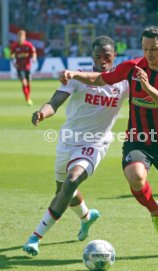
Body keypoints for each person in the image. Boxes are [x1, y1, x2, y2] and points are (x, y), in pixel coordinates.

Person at [60, 26, 158, 256]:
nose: (149, 54)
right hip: (137, 140)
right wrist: (74, 74)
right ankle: (154, 209)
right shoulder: (133, 67)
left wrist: (147, 87)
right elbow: (101, 78)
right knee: (135, 177)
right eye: (145, 49)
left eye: (153, 49)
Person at [23, 36, 129, 256]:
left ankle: (35, 237)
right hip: (67, 141)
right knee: (62, 191)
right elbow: (54, 103)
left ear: (114, 56)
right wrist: (42, 113)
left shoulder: (123, 83)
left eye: (107, 56)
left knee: (71, 182)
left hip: (95, 144)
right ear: (92, 57)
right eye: (98, 57)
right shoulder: (78, 77)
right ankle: (87, 217)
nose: (102, 61)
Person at [10, 30, 37, 106]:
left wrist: (34, 58)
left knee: (28, 83)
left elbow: (34, 52)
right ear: (17, 37)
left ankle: (28, 97)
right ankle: (27, 98)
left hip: (28, 67)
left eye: (22, 37)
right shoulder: (14, 46)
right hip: (19, 67)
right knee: (24, 82)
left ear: (24, 37)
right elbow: (11, 55)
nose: (20, 39)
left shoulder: (28, 45)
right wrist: (13, 62)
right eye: (19, 37)